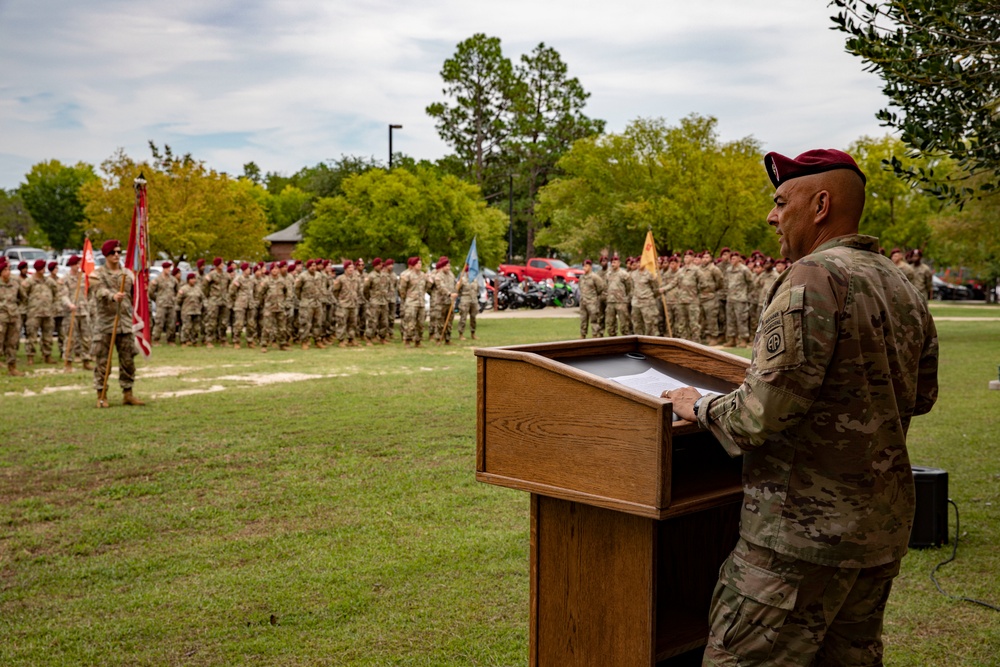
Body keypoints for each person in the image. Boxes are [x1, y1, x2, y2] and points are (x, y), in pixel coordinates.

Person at [663, 149, 938, 666]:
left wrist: (696, 405)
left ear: (820, 205)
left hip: (797, 542)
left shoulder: (814, 277)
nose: (771, 215)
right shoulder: (899, 282)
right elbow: (921, 397)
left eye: (780, 201)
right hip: (876, 533)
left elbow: (759, 415)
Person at [91, 239, 145, 407]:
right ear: (106, 255)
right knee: (103, 361)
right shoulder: (96, 274)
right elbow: (98, 290)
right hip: (106, 323)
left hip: (125, 323)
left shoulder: (128, 274)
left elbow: (136, 295)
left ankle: (128, 393)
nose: (116, 255)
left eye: (118, 252)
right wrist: (112, 296)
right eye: (113, 252)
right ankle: (101, 394)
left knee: (128, 359)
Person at [0, 258, 26, 376]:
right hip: (1, 318)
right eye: (5, 269)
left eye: (9, 269)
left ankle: (12, 367)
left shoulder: (15, 283)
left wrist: (14, 308)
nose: (8, 272)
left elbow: (23, 298)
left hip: (13, 318)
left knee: (12, 343)